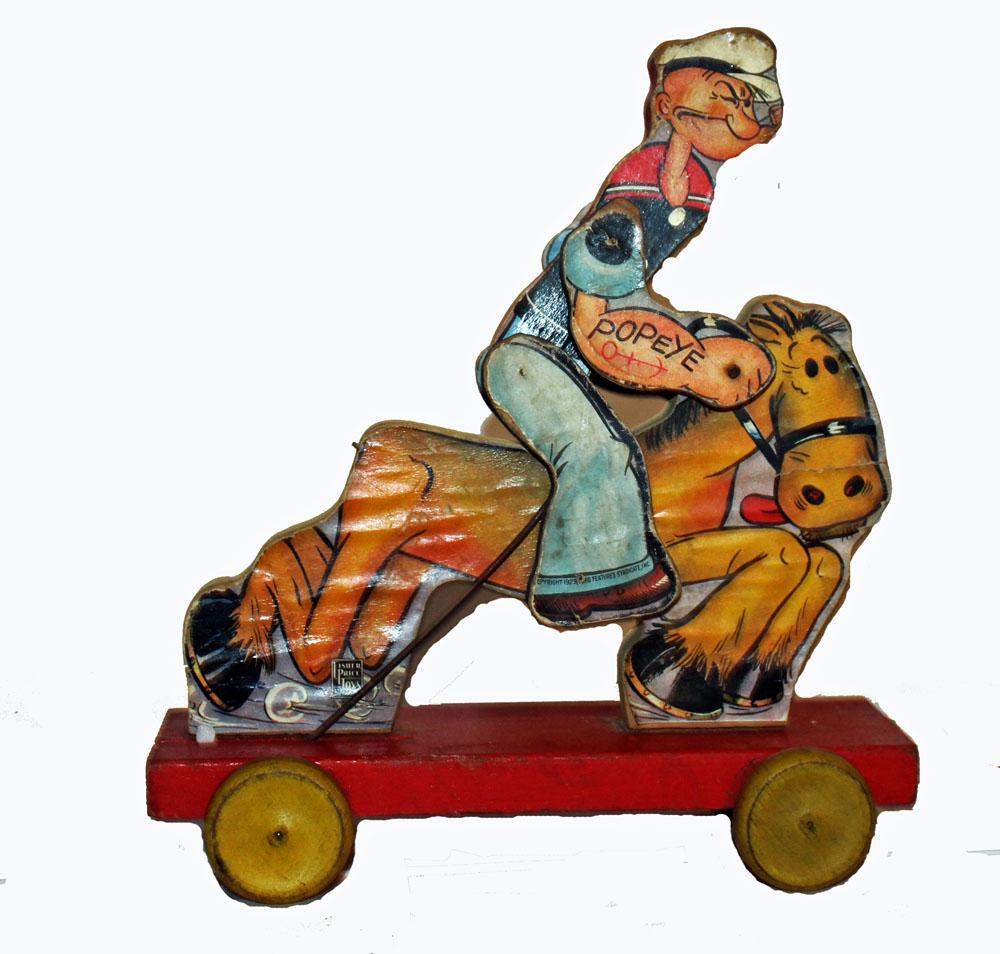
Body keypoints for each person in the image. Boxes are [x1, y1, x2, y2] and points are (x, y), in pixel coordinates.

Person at [477, 29, 783, 628]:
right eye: (725, 95)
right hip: (533, 355)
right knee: (597, 452)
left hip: (571, 361)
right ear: (668, 105)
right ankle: (579, 583)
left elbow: (635, 301)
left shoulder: (691, 185)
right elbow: (598, 319)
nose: (742, 114)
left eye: (754, 102)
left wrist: (702, 334)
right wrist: (693, 364)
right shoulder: (633, 192)